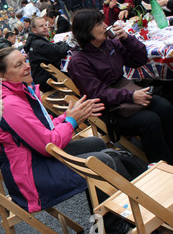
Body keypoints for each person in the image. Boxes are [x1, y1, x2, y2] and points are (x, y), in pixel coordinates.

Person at [0, 47, 142, 234]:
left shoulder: (16, 91)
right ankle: (112, 230)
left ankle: (108, 226)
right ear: (2, 76)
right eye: (19, 65)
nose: (27, 67)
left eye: (25, 61)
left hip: (36, 160)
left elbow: (42, 129)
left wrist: (69, 116)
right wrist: (72, 120)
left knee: (98, 147)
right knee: (103, 162)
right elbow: (47, 144)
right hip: (31, 179)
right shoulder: (9, 103)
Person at [68, 9, 173, 165]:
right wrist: (130, 96)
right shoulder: (78, 61)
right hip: (108, 109)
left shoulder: (108, 43)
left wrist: (127, 39)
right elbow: (98, 93)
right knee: (150, 120)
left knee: (164, 106)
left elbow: (139, 60)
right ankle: (163, 168)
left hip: (126, 92)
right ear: (86, 31)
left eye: (103, 21)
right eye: (99, 23)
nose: (105, 26)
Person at [23, 17, 71, 92]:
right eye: (41, 26)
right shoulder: (38, 44)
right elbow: (60, 51)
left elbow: (53, 48)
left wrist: (61, 43)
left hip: (44, 79)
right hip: (48, 81)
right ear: (34, 30)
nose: (45, 27)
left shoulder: (35, 41)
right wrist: (66, 43)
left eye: (45, 25)